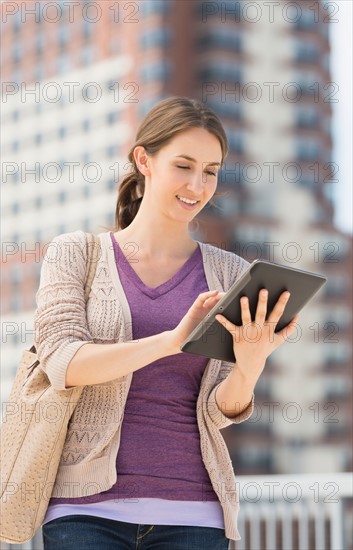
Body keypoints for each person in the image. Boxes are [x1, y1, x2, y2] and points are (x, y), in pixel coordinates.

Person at [35, 96, 299, 550]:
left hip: (194, 515)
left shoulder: (229, 273)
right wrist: (172, 341)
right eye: (183, 165)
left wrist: (250, 364)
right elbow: (61, 361)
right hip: (85, 511)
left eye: (211, 171)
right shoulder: (76, 254)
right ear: (144, 160)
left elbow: (219, 410)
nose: (197, 185)